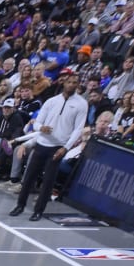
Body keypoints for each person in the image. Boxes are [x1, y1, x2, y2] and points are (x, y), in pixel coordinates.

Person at [11, 72, 88, 221]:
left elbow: (78, 129)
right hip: (42, 143)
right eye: (69, 82)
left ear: (78, 85)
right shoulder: (52, 101)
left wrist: (65, 147)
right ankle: (20, 205)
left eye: (75, 82)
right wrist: (41, 128)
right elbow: (37, 122)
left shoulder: (81, 104)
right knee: (29, 177)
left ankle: (38, 211)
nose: (71, 85)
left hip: (58, 146)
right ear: (64, 83)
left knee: (48, 181)